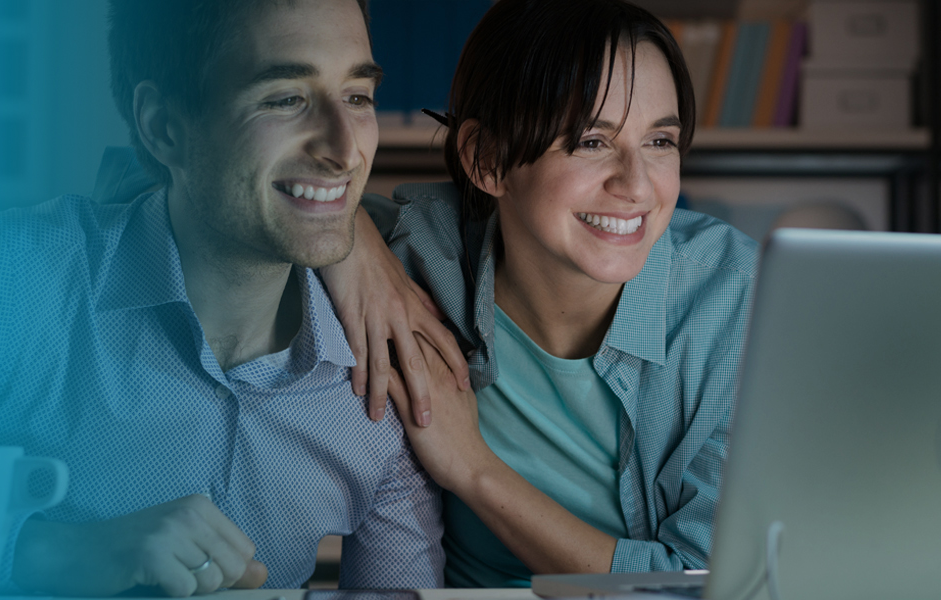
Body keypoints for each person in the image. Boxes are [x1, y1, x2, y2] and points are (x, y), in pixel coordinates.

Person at [0, 0, 455, 595]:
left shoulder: (384, 374)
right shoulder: (1, 280)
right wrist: (45, 552)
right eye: (284, 98)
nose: (345, 149)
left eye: (357, 97)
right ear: (163, 126)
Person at [320, 0, 759, 587]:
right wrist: (354, 251)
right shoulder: (423, 260)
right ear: (487, 160)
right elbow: (264, 205)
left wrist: (474, 469)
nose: (636, 186)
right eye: (591, 142)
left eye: (659, 142)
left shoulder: (732, 296)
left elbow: (707, 583)